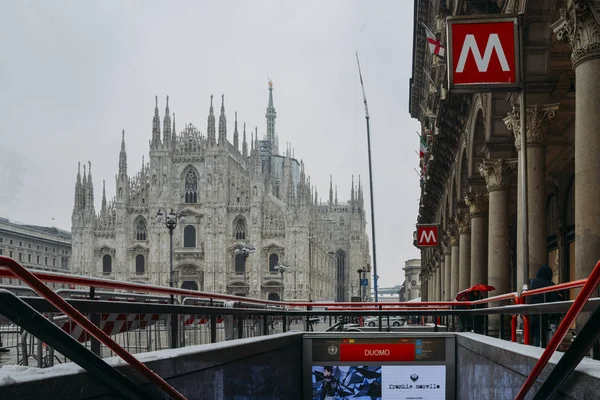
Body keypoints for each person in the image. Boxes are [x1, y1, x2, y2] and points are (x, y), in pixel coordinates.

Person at [528, 264, 561, 347]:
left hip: (530, 314)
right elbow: (554, 302)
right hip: (543, 316)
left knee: (530, 336)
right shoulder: (550, 285)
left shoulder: (532, 282)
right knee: (541, 337)